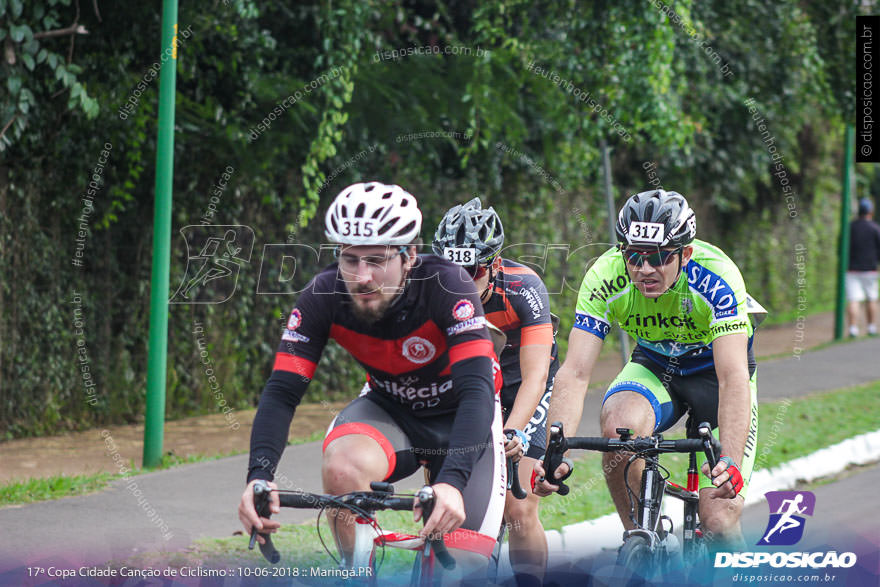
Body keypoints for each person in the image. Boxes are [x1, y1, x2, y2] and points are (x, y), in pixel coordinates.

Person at [238, 182, 507, 580]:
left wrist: (450, 483)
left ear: (409, 255)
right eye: (350, 259)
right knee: (343, 467)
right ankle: (357, 573)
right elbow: (282, 393)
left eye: (377, 260)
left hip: (462, 417)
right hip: (391, 411)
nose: (362, 277)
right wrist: (258, 477)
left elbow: (477, 390)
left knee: (459, 573)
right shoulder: (324, 294)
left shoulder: (448, 285)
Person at [534, 189, 760, 552]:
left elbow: (732, 377)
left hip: (715, 374)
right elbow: (575, 372)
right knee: (618, 430)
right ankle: (642, 540)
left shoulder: (717, 275)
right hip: (656, 367)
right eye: (634, 256)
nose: (644, 269)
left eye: (658, 257)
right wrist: (553, 452)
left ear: (685, 253)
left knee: (718, 519)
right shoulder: (606, 276)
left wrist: (729, 459)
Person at [433, 198, 558, 587]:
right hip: (469, 379)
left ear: (495, 263)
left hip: (522, 378)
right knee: (443, 502)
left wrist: (514, 431)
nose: (460, 280)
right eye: (450, 269)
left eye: (471, 269)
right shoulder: (424, 286)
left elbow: (537, 375)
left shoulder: (523, 287)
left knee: (518, 507)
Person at [847, 197, 880, 337]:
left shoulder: (850, 227)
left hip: (852, 269)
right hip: (871, 269)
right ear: (870, 212)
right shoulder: (875, 228)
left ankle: (853, 329)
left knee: (853, 299)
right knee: (871, 298)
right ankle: (871, 327)